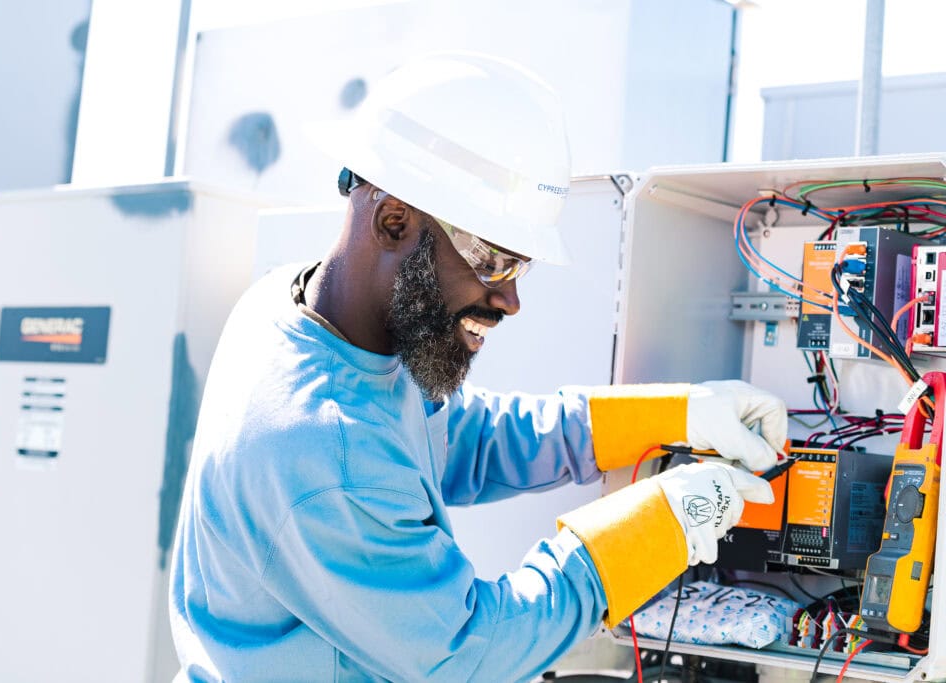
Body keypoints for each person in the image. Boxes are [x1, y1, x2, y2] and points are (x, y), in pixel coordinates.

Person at [169, 52, 786, 682]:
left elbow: (461, 440)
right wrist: (658, 526)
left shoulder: (294, 307)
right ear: (393, 220)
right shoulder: (325, 446)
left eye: (522, 267)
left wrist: (675, 413)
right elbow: (467, 653)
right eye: (493, 261)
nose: (511, 299)